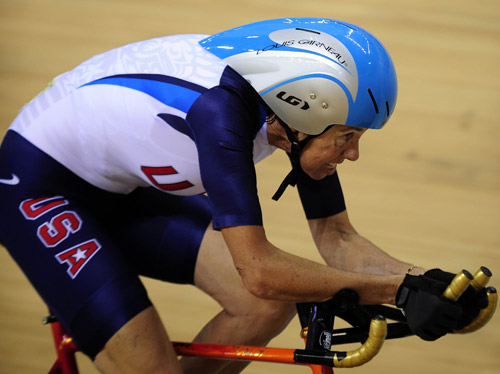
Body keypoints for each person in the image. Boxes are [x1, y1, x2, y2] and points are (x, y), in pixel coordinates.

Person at [0, 18, 488, 374]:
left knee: (263, 311)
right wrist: (394, 292)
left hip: (124, 186)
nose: (354, 153)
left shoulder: (284, 112)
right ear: (304, 114)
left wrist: (432, 283)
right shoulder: (220, 115)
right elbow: (259, 271)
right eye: (347, 136)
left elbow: (337, 240)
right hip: (41, 188)